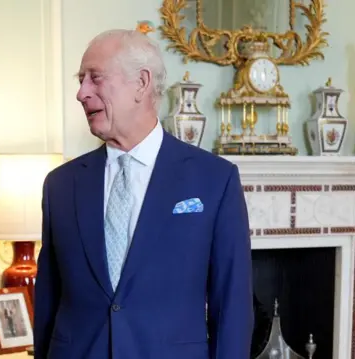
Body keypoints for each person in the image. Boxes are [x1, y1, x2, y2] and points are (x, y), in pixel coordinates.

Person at [33, 29, 253, 359]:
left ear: (141, 83)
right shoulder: (60, 185)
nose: (81, 93)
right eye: (81, 80)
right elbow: (49, 298)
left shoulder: (214, 180)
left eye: (95, 78)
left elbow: (233, 303)